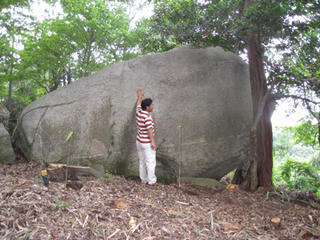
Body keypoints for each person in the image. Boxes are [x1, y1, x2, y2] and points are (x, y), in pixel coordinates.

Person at [136, 88, 159, 186]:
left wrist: (140, 96)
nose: (153, 106)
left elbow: (138, 105)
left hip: (139, 141)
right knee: (150, 161)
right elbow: (150, 130)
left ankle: (144, 180)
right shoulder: (148, 117)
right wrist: (153, 142)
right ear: (147, 107)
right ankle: (152, 181)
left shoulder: (139, 112)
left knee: (142, 161)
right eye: (152, 105)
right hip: (146, 142)